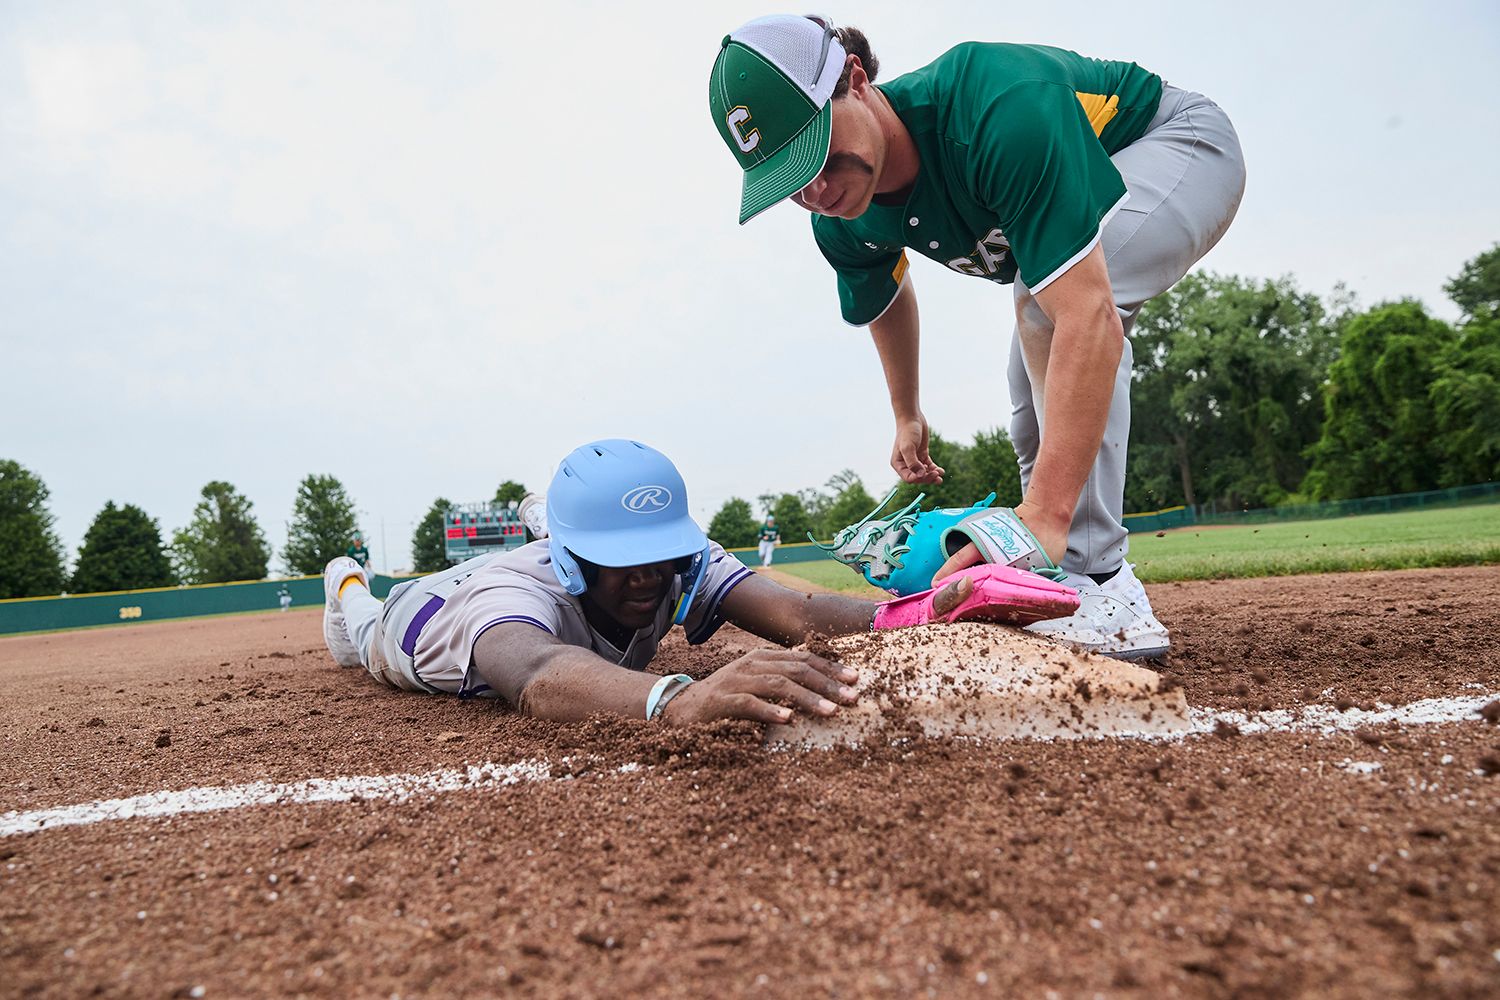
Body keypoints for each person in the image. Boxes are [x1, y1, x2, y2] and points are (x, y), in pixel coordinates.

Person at [707, 16, 1245, 658]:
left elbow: (1089, 315)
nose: (815, 190)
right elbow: (887, 295)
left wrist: (1045, 516)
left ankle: (1099, 581)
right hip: (1108, 198)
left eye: (815, 151)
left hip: (1178, 145)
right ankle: (1060, 570)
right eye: (788, 177)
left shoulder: (993, 105)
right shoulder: (843, 217)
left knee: (1049, 312)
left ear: (855, 78)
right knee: (1029, 394)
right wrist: (906, 413)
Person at [319, 439, 1076, 725]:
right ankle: (348, 586)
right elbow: (541, 675)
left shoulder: (674, 560)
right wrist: (677, 697)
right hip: (416, 618)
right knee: (363, 628)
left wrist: (916, 618)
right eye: (624, 556)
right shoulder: (513, 603)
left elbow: (795, 608)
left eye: (662, 547)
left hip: (556, 549)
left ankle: (549, 512)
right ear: (576, 558)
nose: (650, 572)